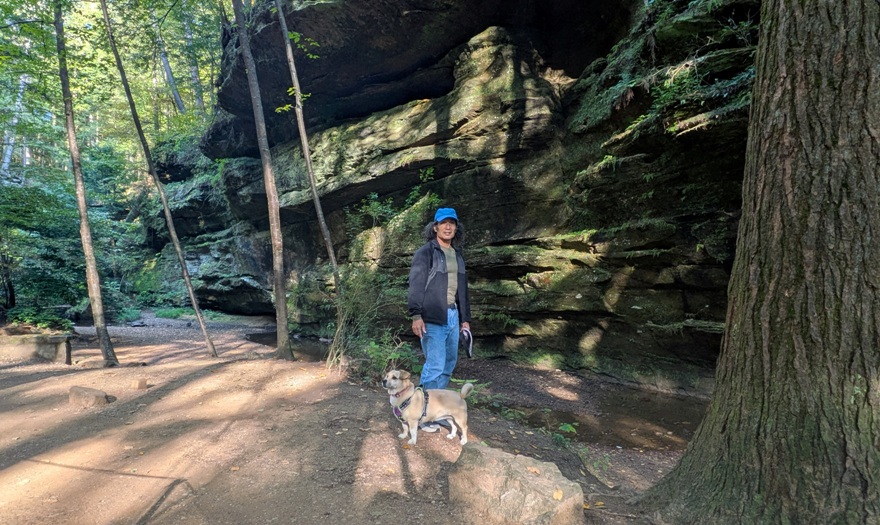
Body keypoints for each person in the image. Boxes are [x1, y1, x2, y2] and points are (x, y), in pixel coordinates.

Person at [407, 207, 471, 431]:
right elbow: (415, 286)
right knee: (434, 366)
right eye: (443, 223)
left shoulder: (458, 254)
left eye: (452, 223)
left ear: (456, 227)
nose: (448, 227)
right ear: (435, 227)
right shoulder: (425, 253)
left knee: (447, 365)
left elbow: (462, 290)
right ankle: (421, 413)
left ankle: (434, 412)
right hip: (432, 315)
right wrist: (416, 315)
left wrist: (465, 319)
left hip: (453, 316)